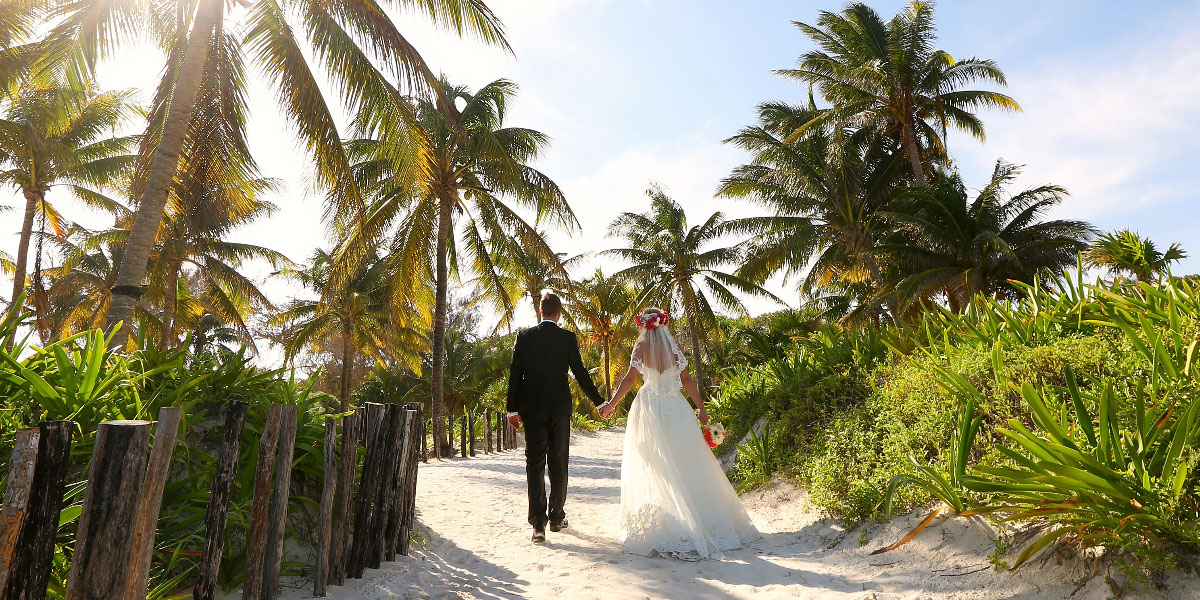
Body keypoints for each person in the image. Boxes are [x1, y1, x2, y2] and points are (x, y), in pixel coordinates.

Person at [598, 307, 759, 559]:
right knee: (686, 462)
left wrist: (612, 404)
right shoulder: (674, 348)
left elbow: (630, 379)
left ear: (644, 326)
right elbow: (687, 380)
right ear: (663, 325)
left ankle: (667, 520)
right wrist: (702, 410)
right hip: (676, 407)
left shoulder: (640, 348)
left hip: (649, 407)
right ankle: (696, 519)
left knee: (655, 464)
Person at [506, 292, 605, 543]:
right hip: (560, 408)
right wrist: (600, 402)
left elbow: (515, 374)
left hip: (532, 409)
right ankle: (557, 517)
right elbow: (581, 374)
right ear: (559, 314)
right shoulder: (567, 338)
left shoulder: (524, 337)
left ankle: (538, 524)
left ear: (540, 312)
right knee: (559, 462)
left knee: (534, 464)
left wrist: (512, 410)